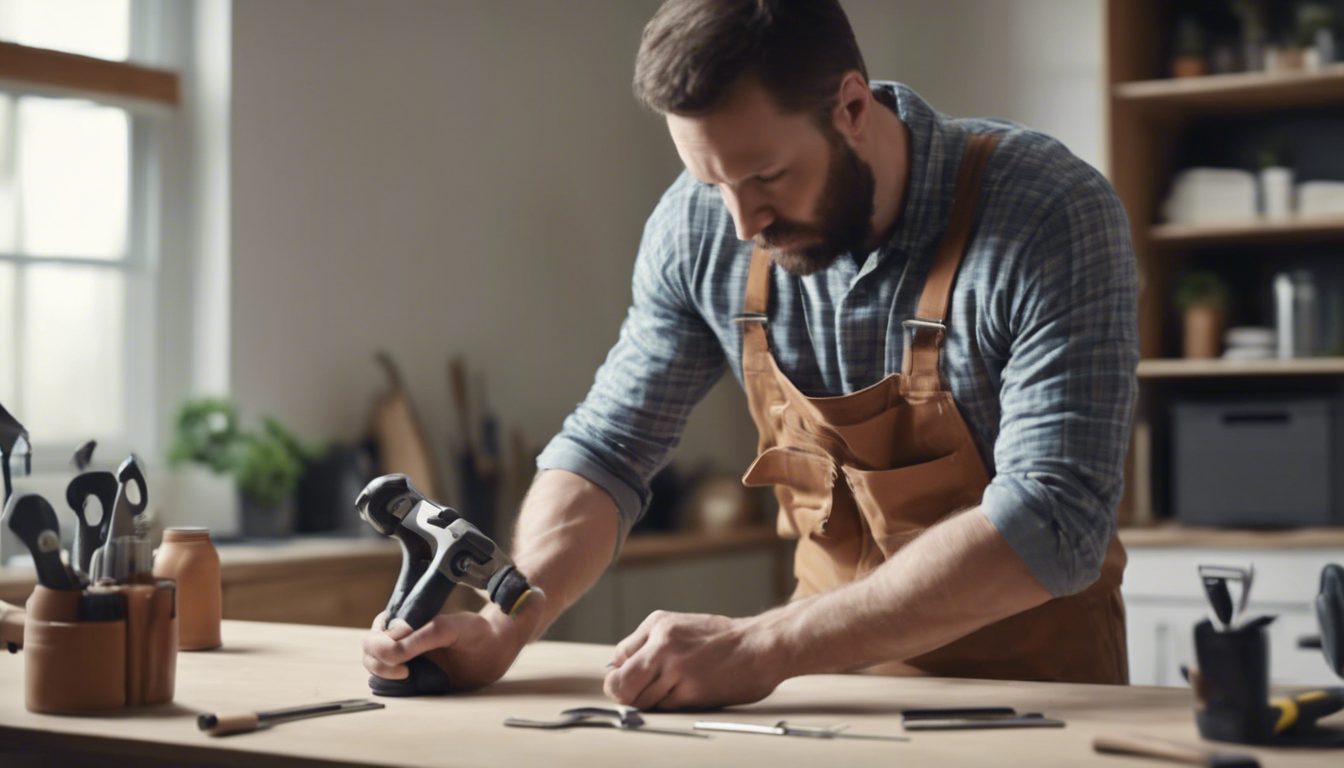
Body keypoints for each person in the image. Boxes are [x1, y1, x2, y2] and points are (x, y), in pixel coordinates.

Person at [362, 0, 1138, 710]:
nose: (741, 222)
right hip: (824, 699)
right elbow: (607, 450)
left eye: (767, 176)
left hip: (1038, 704)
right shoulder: (701, 228)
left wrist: (760, 646)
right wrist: (506, 621)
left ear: (853, 107)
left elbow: (1055, 519)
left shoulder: (1048, 214)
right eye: (712, 181)